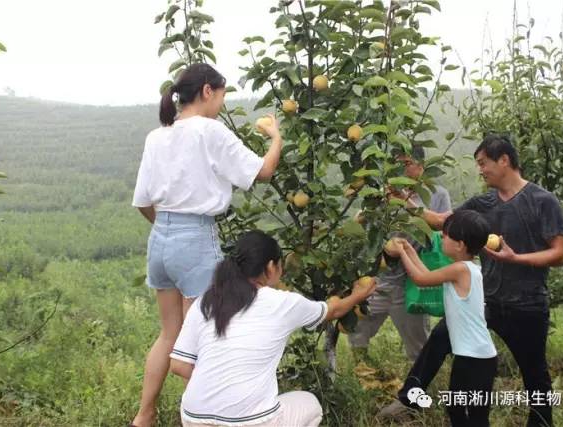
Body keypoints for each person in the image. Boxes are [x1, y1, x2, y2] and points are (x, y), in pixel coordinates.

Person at [130, 63, 284, 427]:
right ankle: (204, 417)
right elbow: (262, 172)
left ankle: (144, 416)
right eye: (223, 93)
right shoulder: (210, 132)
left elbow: (142, 202)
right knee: (202, 341)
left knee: (169, 333)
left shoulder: (157, 136)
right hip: (196, 240)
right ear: (207, 92)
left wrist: (169, 230)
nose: (222, 101)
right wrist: (276, 138)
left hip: (160, 239)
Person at [379, 134, 563, 427]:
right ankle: (408, 400)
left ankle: (541, 423)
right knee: (439, 340)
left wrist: (517, 259)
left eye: (483, 163)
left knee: (535, 373)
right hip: (487, 301)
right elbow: (444, 222)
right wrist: (405, 201)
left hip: (527, 303)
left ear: (504, 160)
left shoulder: (542, 201)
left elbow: (560, 253)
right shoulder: (483, 202)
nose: (480, 169)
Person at [169, 230, 377, 426]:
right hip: (253, 421)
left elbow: (179, 365)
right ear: (270, 267)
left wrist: (220, 386)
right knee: (311, 404)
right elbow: (334, 311)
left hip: (193, 418)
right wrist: (359, 294)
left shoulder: (207, 300)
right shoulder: (282, 303)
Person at [348, 146, 451, 364]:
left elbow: (442, 232)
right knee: (358, 331)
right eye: (397, 164)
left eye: (406, 164)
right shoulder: (384, 192)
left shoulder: (437, 194)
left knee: (417, 343)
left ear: (422, 166)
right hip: (378, 280)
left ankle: (418, 389)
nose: (401, 170)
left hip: (411, 282)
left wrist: (405, 202)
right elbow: (364, 223)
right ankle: (364, 375)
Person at [396, 210, 498, 426]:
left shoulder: (460, 270)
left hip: (476, 358)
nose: (441, 238)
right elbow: (427, 274)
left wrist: (400, 252)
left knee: (475, 416)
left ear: (460, 244)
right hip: (471, 356)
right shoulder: (466, 269)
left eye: (444, 236)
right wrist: (408, 249)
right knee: (456, 409)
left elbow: (421, 279)